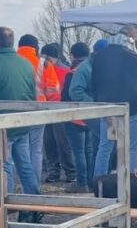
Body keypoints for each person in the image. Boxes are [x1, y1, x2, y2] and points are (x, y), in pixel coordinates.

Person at [0, 27, 41, 222]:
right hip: (22, 120)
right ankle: (35, 203)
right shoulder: (26, 64)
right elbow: (33, 94)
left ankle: (7, 207)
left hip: (1, 122)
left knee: (4, 164)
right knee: (24, 163)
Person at [91, 26, 137, 178]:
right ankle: (130, 181)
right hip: (131, 106)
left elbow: (94, 82)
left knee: (105, 146)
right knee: (132, 146)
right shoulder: (130, 54)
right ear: (131, 37)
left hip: (107, 107)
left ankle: (99, 181)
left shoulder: (99, 56)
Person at [17, 34, 60, 183]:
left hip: (15, 111)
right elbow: (54, 90)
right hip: (38, 110)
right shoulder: (44, 64)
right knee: (36, 149)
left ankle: (17, 184)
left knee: (18, 149)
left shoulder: (12, 61)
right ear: (35, 48)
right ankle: (33, 185)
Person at [70, 38, 109, 182]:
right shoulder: (85, 68)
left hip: (102, 112)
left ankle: (97, 180)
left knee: (98, 147)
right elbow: (75, 91)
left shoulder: (100, 66)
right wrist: (95, 103)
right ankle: (95, 182)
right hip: (94, 112)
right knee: (101, 147)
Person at [40, 43, 76, 183]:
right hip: (49, 109)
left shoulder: (64, 71)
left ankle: (69, 172)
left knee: (61, 143)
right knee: (49, 142)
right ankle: (54, 171)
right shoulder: (46, 69)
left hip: (59, 111)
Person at [63, 42, 94, 191]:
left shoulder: (73, 72)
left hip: (75, 117)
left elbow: (66, 96)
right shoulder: (93, 69)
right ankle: (90, 180)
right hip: (91, 117)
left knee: (79, 151)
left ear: (73, 55)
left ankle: (81, 183)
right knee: (89, 150)